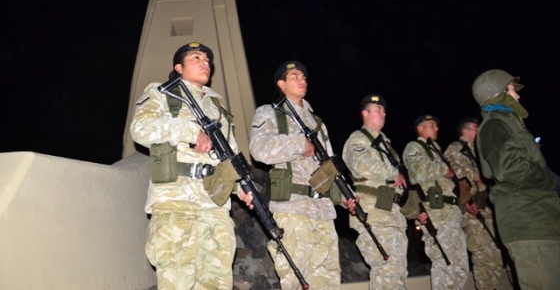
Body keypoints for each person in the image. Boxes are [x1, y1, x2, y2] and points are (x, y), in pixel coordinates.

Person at [130, 42, 253, 290]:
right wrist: (189, 131)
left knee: (217, 283)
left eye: (207, 58)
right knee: (178, 282)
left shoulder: (217, 106)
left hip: (214, 206)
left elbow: (230, 155)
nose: (205, 62)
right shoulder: (162, 93)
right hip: (176, 203)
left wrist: (242, 188)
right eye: (196, 57)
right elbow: (140, 129)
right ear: (179, 67)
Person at [249, 61, 342, 289]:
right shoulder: (269, 113)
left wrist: (343, 194)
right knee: (297, 279)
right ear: (281, 84)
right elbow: (258, 149)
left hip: (323, 209)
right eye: (294, 76)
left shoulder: (316, 122)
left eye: (304, 77)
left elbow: (329, 163)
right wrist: (298, 142)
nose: (302, 80)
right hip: (292, 207)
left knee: (328, 280)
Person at [472, 69, 560, 290]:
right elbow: (508, 168)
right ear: (499, 94)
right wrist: (550, 180)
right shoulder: (494, 125)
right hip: (528, 222)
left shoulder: (508, 123)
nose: (518, 96)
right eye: (512, 90)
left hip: (542, 218)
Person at [342, 94, 409, 289]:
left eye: (384, 110)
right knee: (386, 271)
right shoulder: (358, 139)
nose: (383, 113)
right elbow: (362, 165)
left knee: (397, 274)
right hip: (374, 213)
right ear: (365, 114)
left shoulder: (385, 144)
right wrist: (392, 173)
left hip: (391, 214)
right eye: (377, 109)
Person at [402, 114, 469, 290]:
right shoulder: (414, 147)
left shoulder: (436, 150)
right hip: (436, 213)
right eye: (432, 125)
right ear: (420, 128)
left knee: (460, 266)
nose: (436, 128)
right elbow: (419, 171)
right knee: (444, 262)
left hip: (452, 212)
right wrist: (443, 169)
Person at [444, 117, 503, 290]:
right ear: (466, 131)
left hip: (487, 205)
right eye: (476, 128)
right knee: (482, 253)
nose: (479, 132)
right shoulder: (456, 148)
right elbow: (458, 178)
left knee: (495, 253)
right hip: (472, 208)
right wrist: (467, 199)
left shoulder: (480, 151)